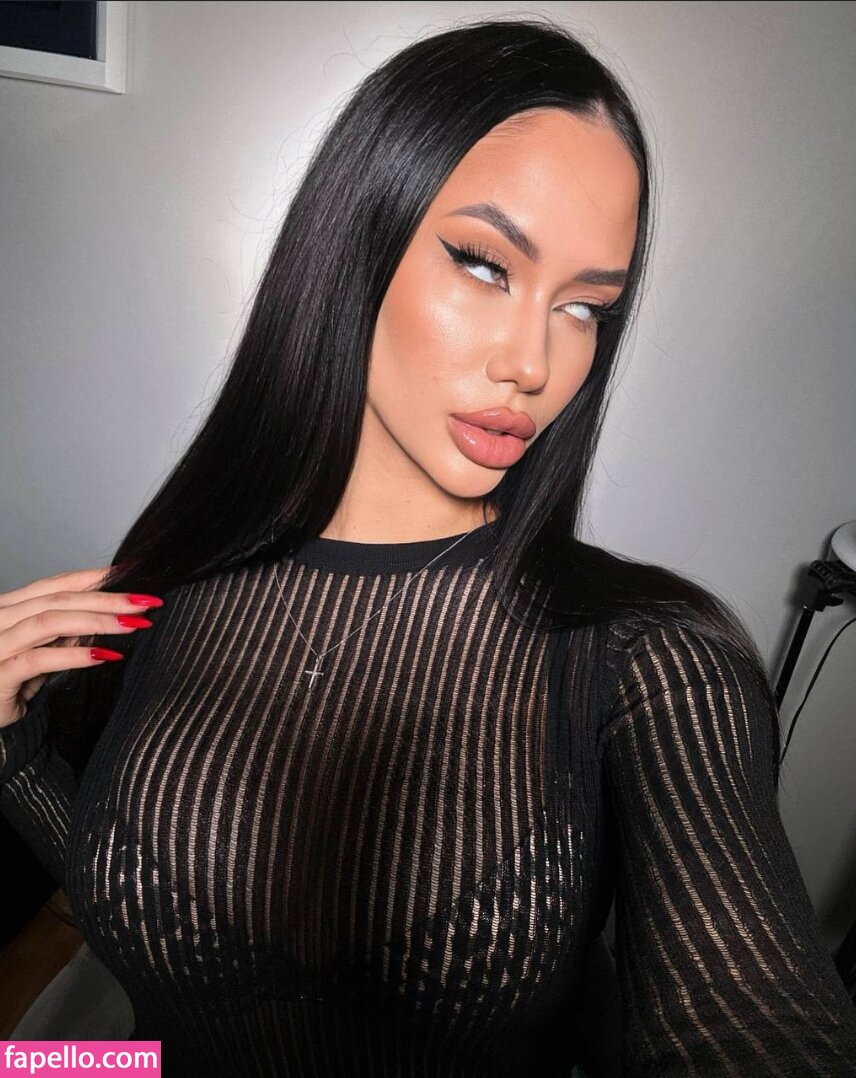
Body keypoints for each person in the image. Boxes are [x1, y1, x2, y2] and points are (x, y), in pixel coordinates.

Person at [2, 14, 855, 1077]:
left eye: (586, 308)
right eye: (485, 265)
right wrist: (12, 758)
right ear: (355, 241)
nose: (535, 364)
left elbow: (750, 1017)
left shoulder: (650, 659)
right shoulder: (175, 581)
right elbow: (154, 927)